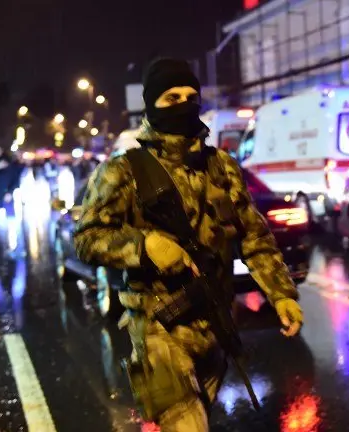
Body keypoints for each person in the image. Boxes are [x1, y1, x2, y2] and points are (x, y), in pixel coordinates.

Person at [74, 58, 303, 431]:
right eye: (171, 98)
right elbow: (87, 238)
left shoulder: (222, 167)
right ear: (151, 105)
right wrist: (145, 246)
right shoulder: (123, 171)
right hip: (159, 332)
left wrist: (281, 294)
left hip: (215, 325)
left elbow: (254, 236)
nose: (183, 105)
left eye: (190, 97)